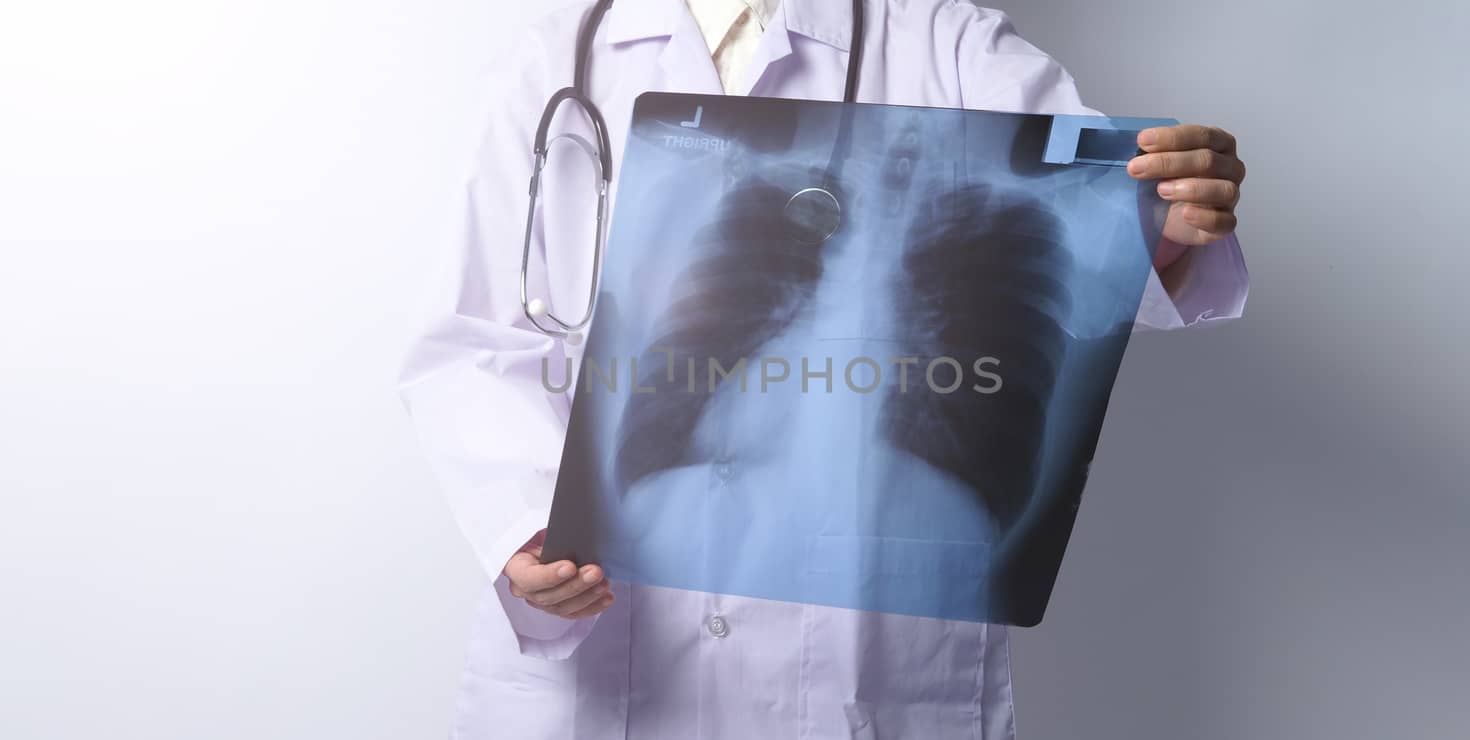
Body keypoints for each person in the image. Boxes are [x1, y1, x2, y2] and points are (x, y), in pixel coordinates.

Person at [397, 1, 1250, 738]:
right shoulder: (561, 59)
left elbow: (1091, 216)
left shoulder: (947, 43)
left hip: (861, 642)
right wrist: (522, 525)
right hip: (609, 623)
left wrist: (1168, 210)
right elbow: (475, 336)